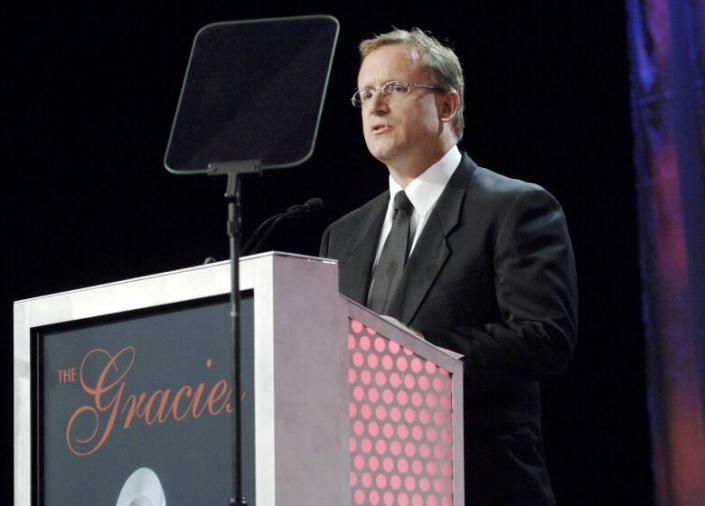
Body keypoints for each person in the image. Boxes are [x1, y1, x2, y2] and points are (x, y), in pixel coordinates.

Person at [320, 28, 578, 505]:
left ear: (447, 105)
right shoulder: (344, 235)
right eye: (366, 94)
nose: (375, 106)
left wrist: (424, 353)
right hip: (364, 486)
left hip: (478, 481)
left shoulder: (514, 207)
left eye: (394, 89)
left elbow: (545, 336)